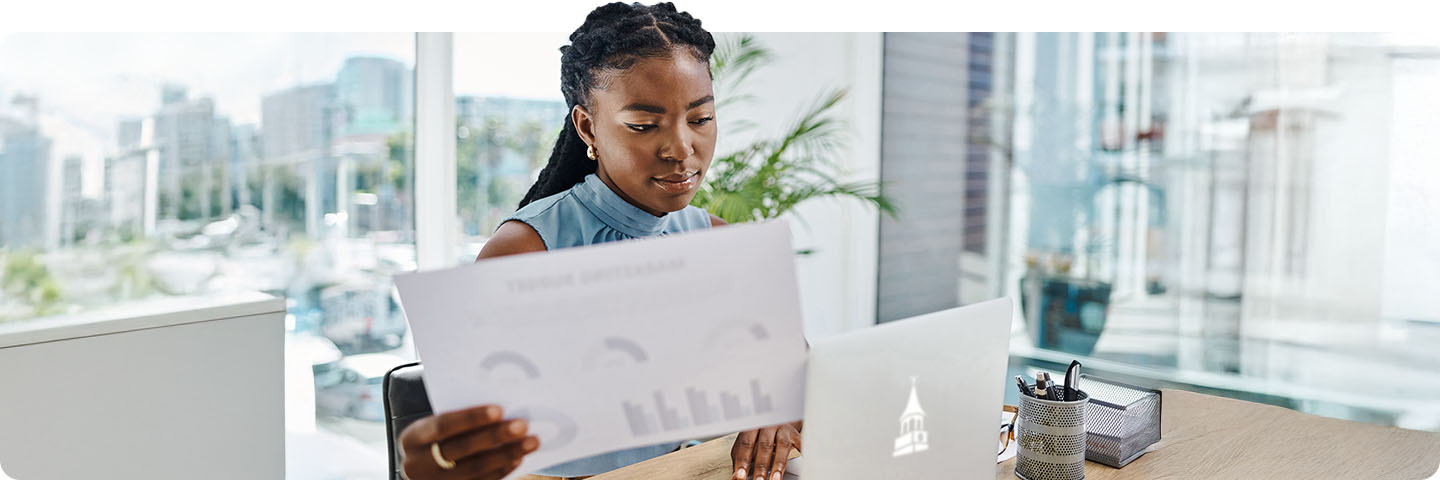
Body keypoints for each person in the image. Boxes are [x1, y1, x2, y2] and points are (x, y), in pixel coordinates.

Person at [397, 3, 801, 480]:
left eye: (700, 119)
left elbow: (792, 375)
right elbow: (461, 448)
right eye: (644, 125)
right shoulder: (525, 252)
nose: (680, 149)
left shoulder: (719, 242)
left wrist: (776, 408)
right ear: (588, 127)